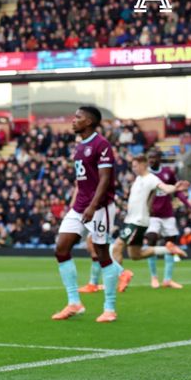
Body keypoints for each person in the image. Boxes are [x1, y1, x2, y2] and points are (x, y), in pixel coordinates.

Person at [52, 105, 122, 322]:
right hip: (80, 207)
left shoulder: (101, 144)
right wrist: (78, 204)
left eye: (78, 117)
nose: (73, 120)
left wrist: (93, 206)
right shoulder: (79, 145)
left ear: (89, 122)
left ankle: (109, 308)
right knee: (61, 249)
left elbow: (104, 178)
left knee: (102, 254)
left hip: (99, 207)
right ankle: (74, 302)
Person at [109, 155, 189, 299]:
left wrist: (175, 188)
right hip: (132, 220)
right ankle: (167, 249)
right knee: (135, 255)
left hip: (138, 221)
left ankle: (121, 276)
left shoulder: (152, 179)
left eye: (135, 166)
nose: (133, 169)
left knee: (117, 247)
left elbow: (165, 187)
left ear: (142, 165)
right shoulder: (138, 179)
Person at [145, 147, 190, 289]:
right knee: (151, 240)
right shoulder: (146, 175)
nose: (151, 160)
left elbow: (176, 190)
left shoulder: (167, 173)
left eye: (154, 157)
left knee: (170, 245)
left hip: (168, 214)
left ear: (159, 158)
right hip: (152, 215)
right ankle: (153, 277)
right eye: (149, 158)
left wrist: (187, 203)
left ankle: (167, 279)